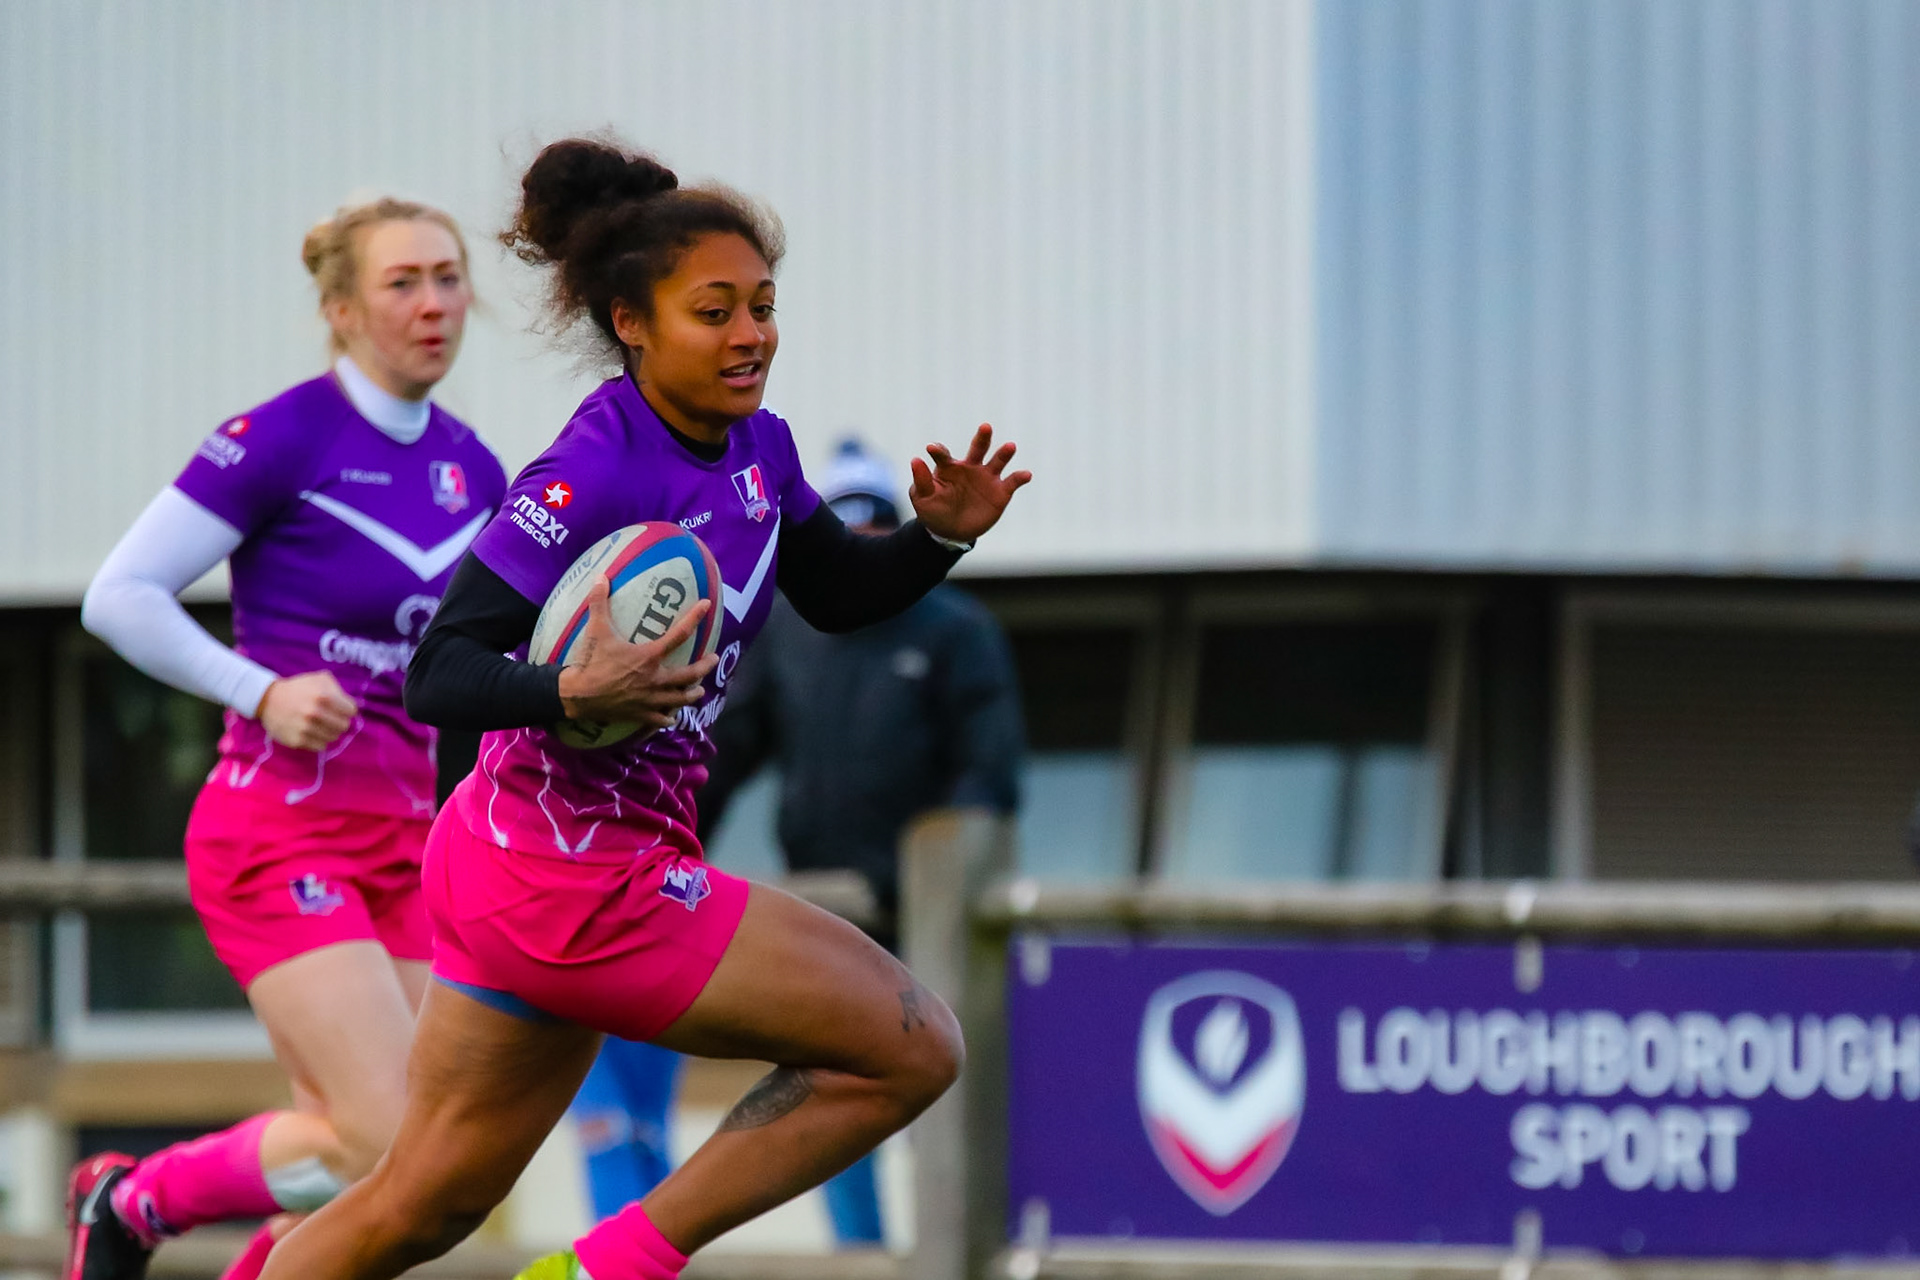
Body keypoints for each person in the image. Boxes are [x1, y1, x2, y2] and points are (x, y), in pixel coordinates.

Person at [255, 134, 1030, 1280]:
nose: (753, 333)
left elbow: (836, 587)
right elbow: (444, 670)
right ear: (632, 322)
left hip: (530, 861)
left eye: (763, 306)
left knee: (415, 1205)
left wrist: (940, 536)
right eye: (714, 310)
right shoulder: (590, 470)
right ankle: (612, 1267)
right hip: (568, 874)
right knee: (911, 1045)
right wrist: (574, 686)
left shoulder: (759, 448)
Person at [69, 198, 505, 1280]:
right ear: (342, 307)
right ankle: (137, 1200)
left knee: (422, 1157)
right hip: (281, 832)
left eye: (450, 277)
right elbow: (118, 596)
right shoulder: (282, 436)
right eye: (404, 281)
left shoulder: (478, 470)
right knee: (386, 1132)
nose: (435, 303)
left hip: (415, 846)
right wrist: (260, 690)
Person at [568, 441, 1024, 1249]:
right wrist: (644, 840)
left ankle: (959, 1256)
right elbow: (726, 751)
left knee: (943, 1103)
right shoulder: (792, 634)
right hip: (832, 911)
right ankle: (864, 1261)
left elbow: (989, 775)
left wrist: (939, 877)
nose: (863, 544)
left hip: (935, 922)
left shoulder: (959, 632)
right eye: (845, 531)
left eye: (877, 528)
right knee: (840, 1089)